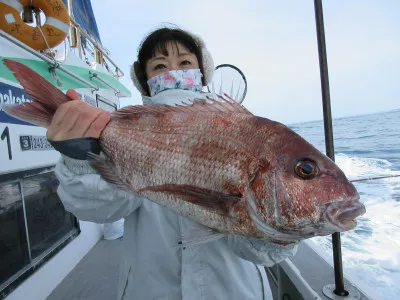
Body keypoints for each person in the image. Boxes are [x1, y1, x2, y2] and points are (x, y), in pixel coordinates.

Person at [51, 26, 299, 300]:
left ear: (202, 73)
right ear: (145, 80)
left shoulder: (237, 131)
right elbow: (101, 209)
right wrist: (81, 159)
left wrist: (281, 227)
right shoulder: (130, 130)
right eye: (159, 65)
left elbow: (253, 250)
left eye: (185, 62)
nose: (173, 72)